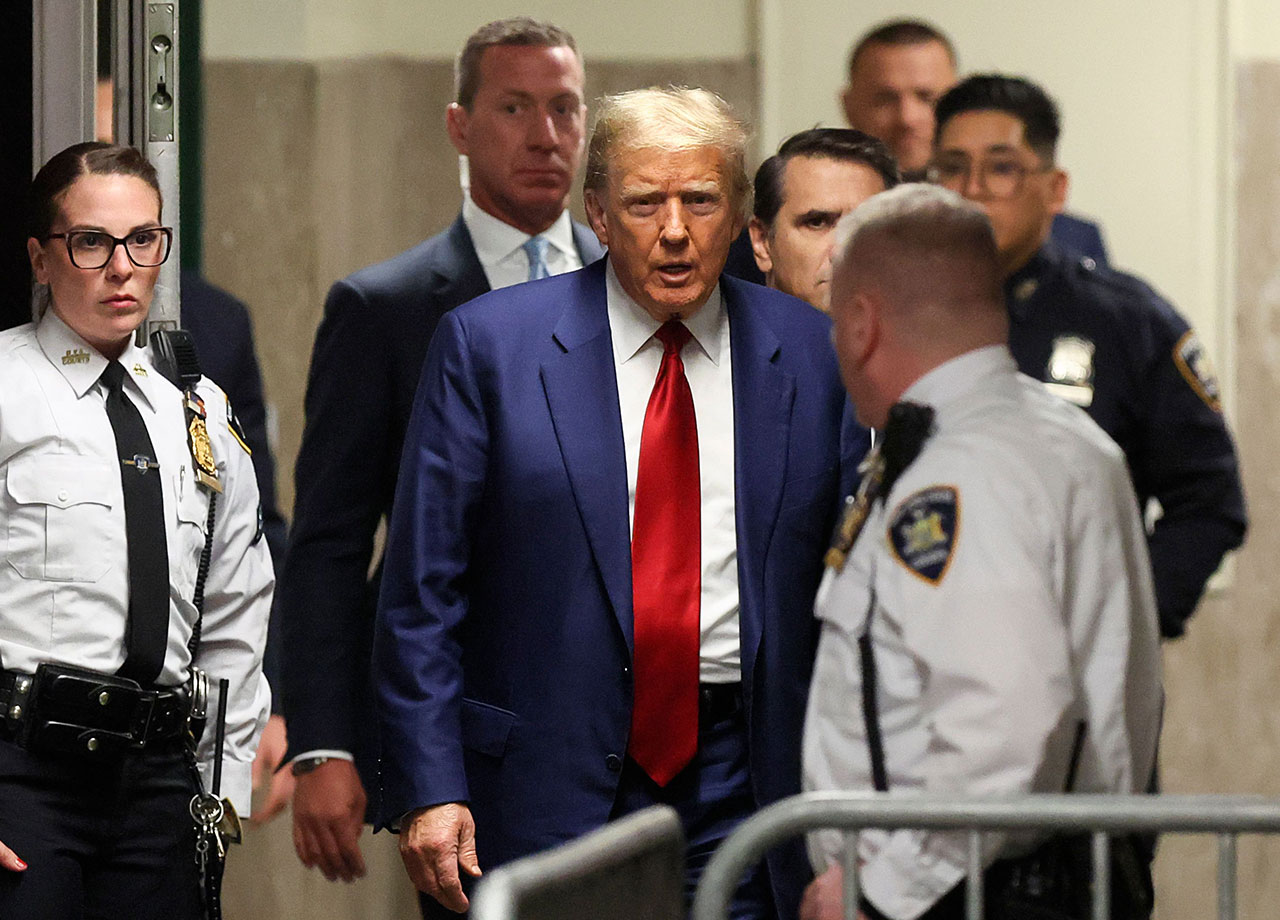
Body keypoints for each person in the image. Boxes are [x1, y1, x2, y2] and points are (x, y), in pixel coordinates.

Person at [374, 86, 866, 920]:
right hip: (542, 777)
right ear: (598, 214)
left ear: (741, 216)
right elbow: (422, 592)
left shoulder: (817, 356)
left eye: (701, 201)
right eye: (646, 202)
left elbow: (857, 591)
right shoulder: (491, 347)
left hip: (750, 778)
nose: (675, 229)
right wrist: (430, 786)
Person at [277, 16, 604, 887]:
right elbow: (332, 540)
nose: (546, 136)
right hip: (463, 738)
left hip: (629, 727)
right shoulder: (383, 308)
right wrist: (322, 743)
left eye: (566, 109)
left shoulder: (642, 286)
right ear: (460, 125)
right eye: (515, 108)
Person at [800, 183, 1162, 920]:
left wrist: (881, 891)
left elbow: (1004, 729)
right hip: (1044, 880)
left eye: (836, 322)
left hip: (975, 896)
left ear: (863, 324)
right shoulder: (1064, 441)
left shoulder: (961, 473)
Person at [0, 141, 272, 917]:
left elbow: (235, 608)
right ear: (41, 259)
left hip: (159, 781)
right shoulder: (6, 389)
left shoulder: (202, 412)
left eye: (143, 239)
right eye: (91, 241)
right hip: (24, 771)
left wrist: (221, 790)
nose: (122, 267)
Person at [929, 74, 1247, 638]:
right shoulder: (896, 315)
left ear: (1055, 189)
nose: (971, 189)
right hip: (925, 655)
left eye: (1001, 168)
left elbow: (1207, 503)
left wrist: (1124, 628)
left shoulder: (1127, 321)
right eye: (952, 167)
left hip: (1078, 664)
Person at [839, 18, 1106, 263]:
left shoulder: (1067, 239)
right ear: (849, 107)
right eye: (884, 99)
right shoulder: (818, 233)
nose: (907, 118)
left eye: (927, 97)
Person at [748, 128, 899, 312]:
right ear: (762, 241)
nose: (842, 252)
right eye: (817, 223)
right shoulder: (726, 340)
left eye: (866, 225)